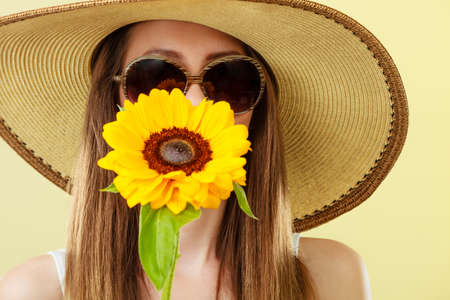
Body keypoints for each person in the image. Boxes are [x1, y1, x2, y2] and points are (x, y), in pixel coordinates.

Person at [0, 1, 408, 300]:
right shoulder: (37, 289)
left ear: (258, 109)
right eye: (156, 78)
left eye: (228, 81)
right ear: (113, 103)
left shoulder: (329, 278)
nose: (194, 106)